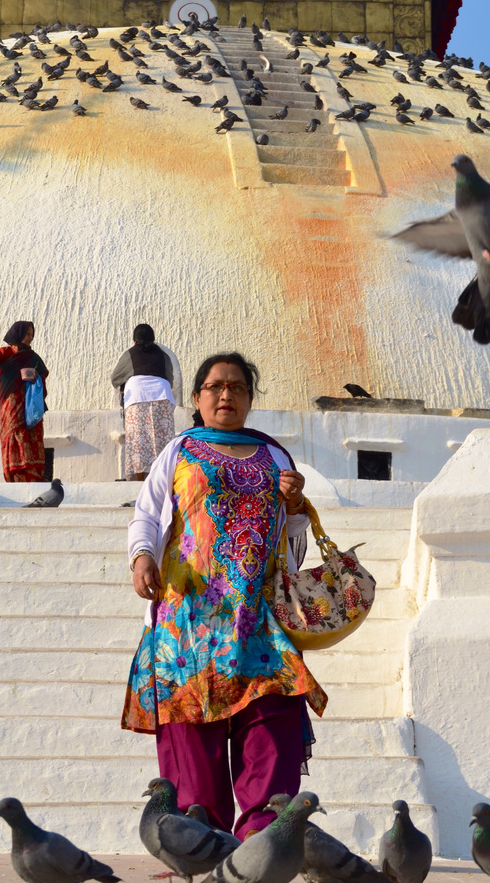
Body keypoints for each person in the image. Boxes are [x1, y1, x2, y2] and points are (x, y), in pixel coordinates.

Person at [121, 352, 328, 839]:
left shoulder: (275, 455)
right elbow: (147, 513)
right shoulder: (179, 450)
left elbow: (292, 537)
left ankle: (262, 846)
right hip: (188, 619)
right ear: (196, 398)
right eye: (214, 387)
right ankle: (199, 842)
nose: (225, 395)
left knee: (271, 728)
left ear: (250, 399)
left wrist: (296, 503)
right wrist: (141, 556)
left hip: (259, 618)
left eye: (236, 387)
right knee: (192, 739)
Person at [0, 321, 49, 482]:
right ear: (18, 334)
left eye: (32, 334)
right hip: (10, 401)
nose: (30, 338)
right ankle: (15, 471)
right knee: (13, 431)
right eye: (27, 334)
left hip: (29, 402)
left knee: (31, 431)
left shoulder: (32, 357)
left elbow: (43, 374)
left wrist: (35, 377)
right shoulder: (6, 352)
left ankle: (33, 473)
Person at [111, 324, 178, 482]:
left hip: (137, 396)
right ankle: (163, 480)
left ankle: (140, 481)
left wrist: (128, 378)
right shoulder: (163, 355)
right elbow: (170, 378)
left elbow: (115, 378)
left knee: (138, 441)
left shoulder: (130, 353)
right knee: (162, 439)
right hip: (162, 395)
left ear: (135, 341)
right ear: (153, 339)